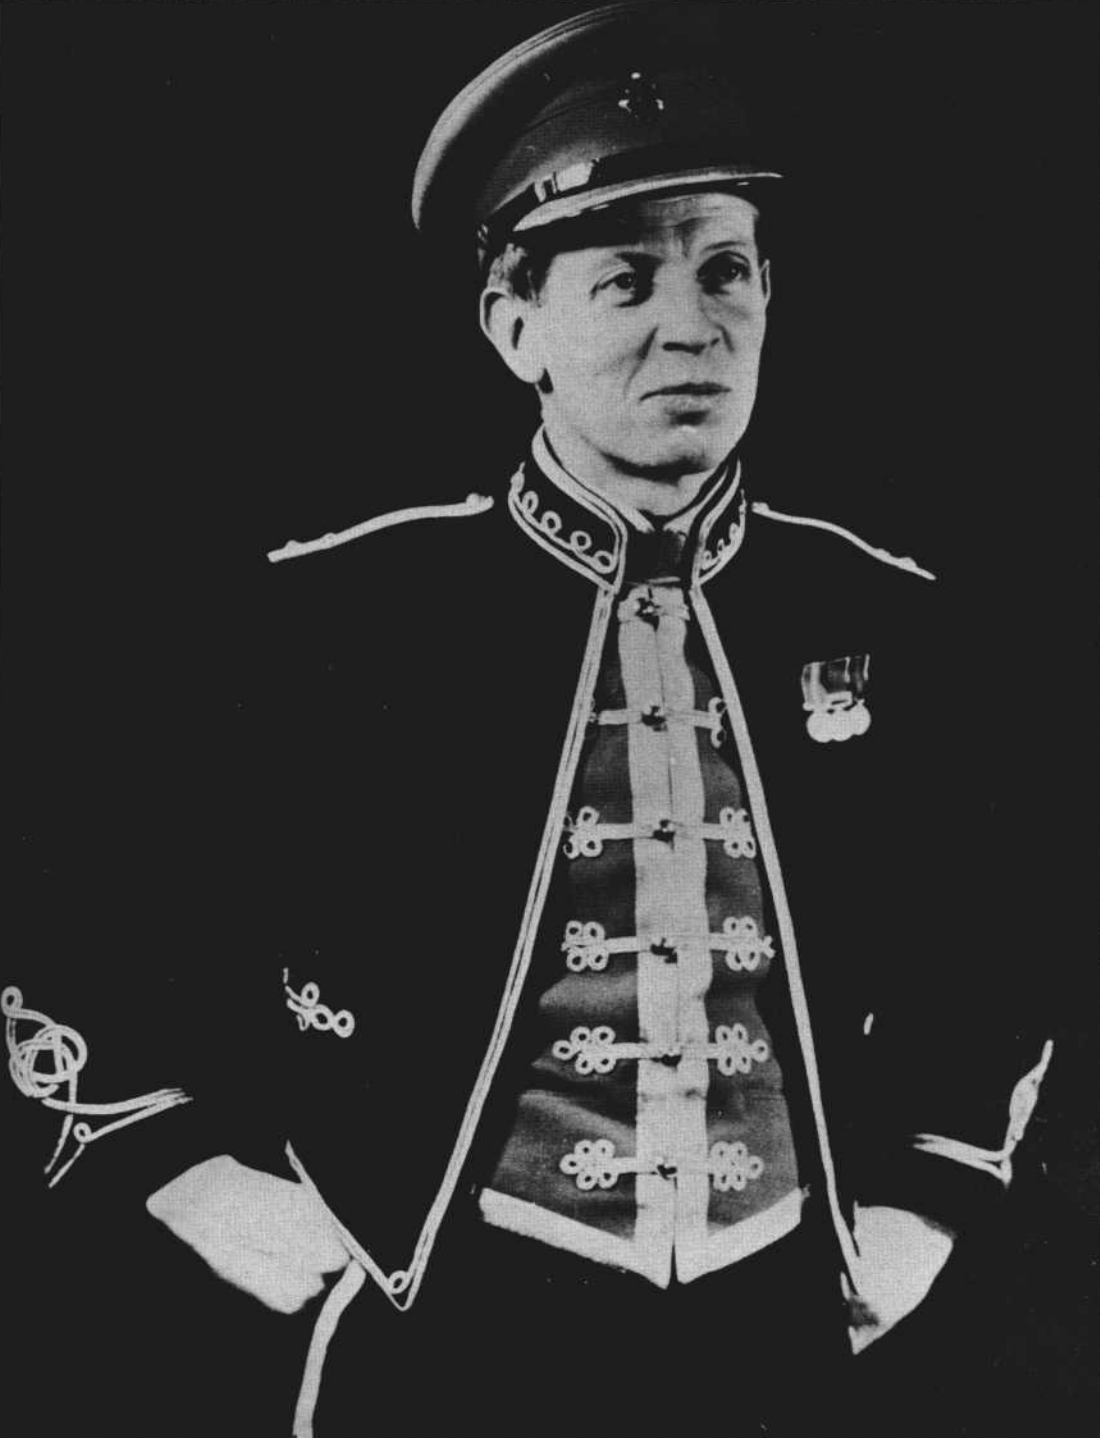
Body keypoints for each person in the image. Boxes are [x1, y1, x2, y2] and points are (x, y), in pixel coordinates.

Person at [5, 5, 1057, 1434]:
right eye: (625, 281)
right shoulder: (330, 615)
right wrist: (186, 1175)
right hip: (452, 1317)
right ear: (517, 329)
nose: (691, 326)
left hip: (787, 1328)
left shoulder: (890, 615)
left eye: (726, 270)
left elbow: (1003, 933)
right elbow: (70, 900)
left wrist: (927, 1198)